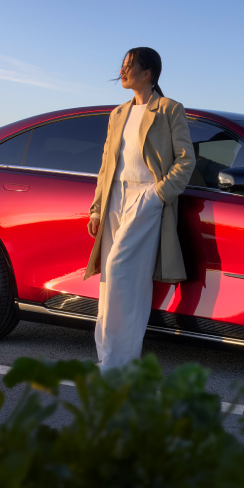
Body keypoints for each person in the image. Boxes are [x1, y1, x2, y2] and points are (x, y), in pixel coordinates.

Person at [84, 47, 196, 368]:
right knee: (110, 280)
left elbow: (186, 159)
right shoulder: (118, 113)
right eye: (122, 65)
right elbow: (107, 164)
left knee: (124, 274)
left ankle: (120, 363)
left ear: (147, 74)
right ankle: (106, 358)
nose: (122, 71)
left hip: (147, 197)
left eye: (129, 66)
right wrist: (96, 208)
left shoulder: (170, 109)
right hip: (115, 199)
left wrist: (160, 194)